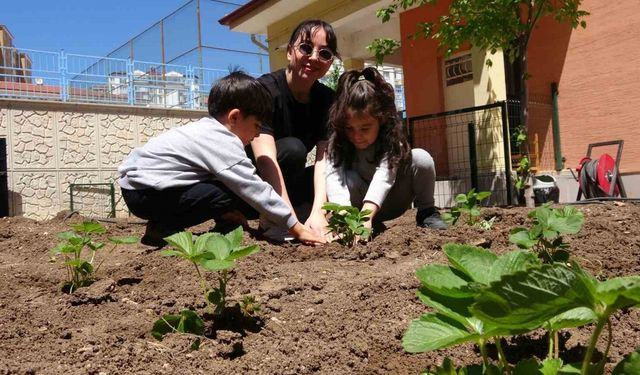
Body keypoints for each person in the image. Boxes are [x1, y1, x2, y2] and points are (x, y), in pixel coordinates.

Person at [118, 71, 326, 247]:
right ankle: (164, 228)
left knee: (224, 188)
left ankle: (165, 225)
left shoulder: (205, 129)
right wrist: (297, 228)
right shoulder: (221, 141)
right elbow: (255, 189)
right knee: (229, 192)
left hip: (141, 188)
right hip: (145, 193)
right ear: (234, 117)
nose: (256, 135)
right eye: (256, 126)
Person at [325, 67, 447, 237]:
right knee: (348, 178)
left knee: (421, 158)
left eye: (365, 128)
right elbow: (334, 181)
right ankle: (363, 223)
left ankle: (427, 212)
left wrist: (366, 215)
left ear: (381, 120)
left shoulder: (392, 140)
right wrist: (345, 218)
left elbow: (384, 176)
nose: (357, 136)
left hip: (393, 201)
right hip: (357, 208)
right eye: (349, 128)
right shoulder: (338, 144)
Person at [250, 20, 338, 238]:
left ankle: (302, 214)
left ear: (330, 62)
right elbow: (264, 160)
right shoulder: (265, 91)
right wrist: (289, 221)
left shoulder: (327, 99)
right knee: (293, 148)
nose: (314, 57)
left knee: (338, 176)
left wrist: (319, 211)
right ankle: (271, 218)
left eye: (324, 53)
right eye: (306, 48)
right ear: (290, 52)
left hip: (288, 185)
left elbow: (323, 159)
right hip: (251, 185)